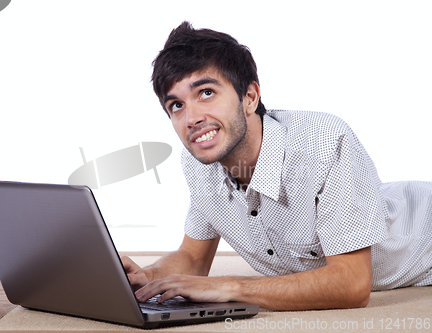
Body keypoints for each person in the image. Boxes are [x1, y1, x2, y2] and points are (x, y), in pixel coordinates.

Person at [121, 21, 432, 310]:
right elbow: (192, 257)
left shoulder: (323, 142)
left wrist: (229, 287)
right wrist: (148, 278)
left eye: (206, 93)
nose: (191, 119)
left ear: (250, 97)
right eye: (177, 105)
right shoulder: (198, 163)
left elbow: (352, 284)